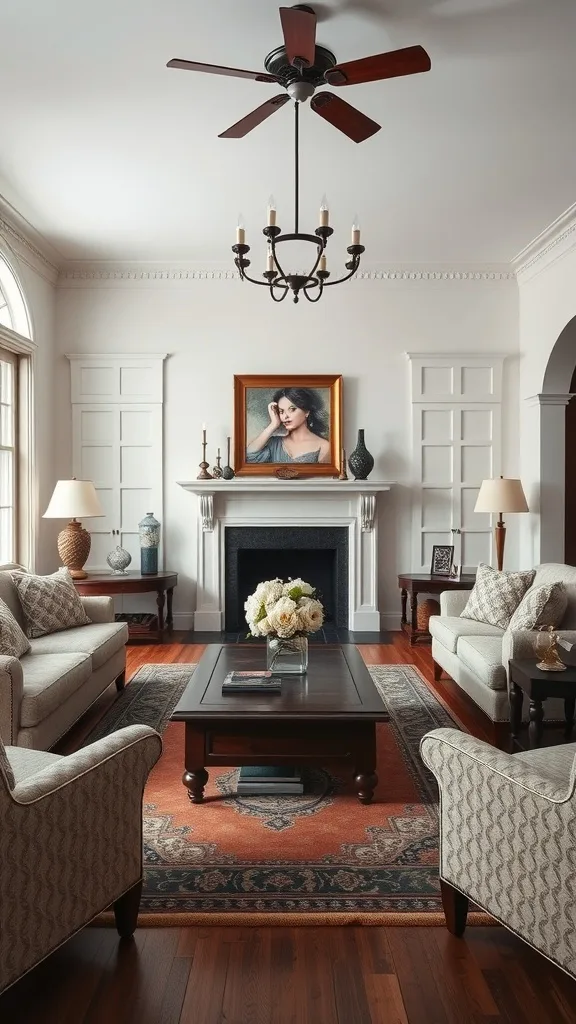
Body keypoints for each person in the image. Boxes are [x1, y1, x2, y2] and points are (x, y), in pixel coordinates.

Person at [247, 387, 330, 463]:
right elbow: (249, 457)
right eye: (281, 411)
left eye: (292, 409)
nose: (285, 416)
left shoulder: (324, 446)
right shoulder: (274, 443)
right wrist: (273, 424)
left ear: (307, 412)